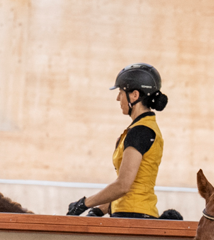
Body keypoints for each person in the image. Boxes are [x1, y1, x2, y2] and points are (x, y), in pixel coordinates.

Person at [66, 64, 168, 219]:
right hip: (132, 212)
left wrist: (85, 203)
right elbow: (130, 184)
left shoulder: (140, 131)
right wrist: (100, 209)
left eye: (121, 92)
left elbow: (123, 185)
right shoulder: (144, 128)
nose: (118, 98)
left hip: (133, 216)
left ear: (134, 95)